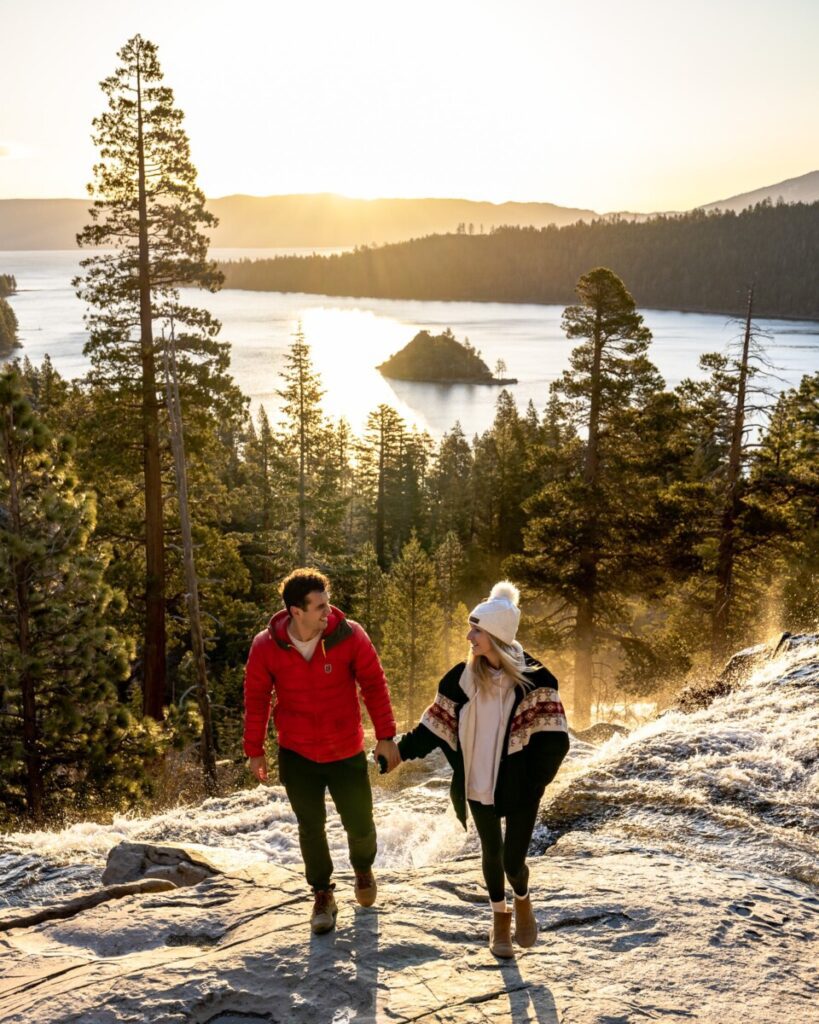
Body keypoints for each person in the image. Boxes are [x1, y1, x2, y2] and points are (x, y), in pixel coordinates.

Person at [390, 581, 569, 958]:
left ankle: (522, 896)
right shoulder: (461, 679)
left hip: (521, 786)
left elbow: (555, 742)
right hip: (478, 781)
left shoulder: (537, 681)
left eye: (476, 631)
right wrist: (397, 753)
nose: (469, 636)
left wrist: (535, 783)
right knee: (491, 851)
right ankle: (499, 922)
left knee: (514, 861)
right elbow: (431, 727)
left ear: (496, 636)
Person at [243, 568, 400, 934]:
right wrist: (255, 749)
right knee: (310, 827)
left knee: (359, 822)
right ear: (296, 612)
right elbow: (256, 698)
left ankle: (363, 868)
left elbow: (374, 684)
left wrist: (386, 736)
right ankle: (322, 894)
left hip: (345, 748)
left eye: (328, 604)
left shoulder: (349, 635)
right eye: (319, 607)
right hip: (297, 752)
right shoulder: (267, 646)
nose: (328, 612)